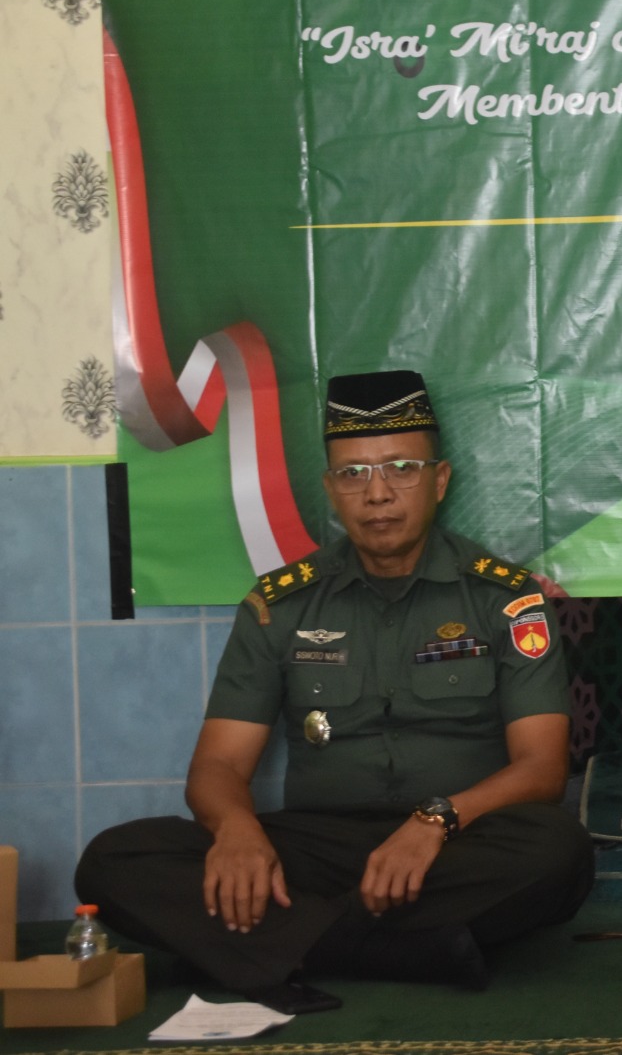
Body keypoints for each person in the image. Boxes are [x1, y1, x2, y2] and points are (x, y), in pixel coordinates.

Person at [76, 370, 593, 1013]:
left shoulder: (505, 599)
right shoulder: (280, 604)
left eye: (401, 468)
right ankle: (404, 950)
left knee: (559, 852)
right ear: (330, 489)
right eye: (353, 474)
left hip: (452, 844)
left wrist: (434, 820)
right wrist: (237, 830)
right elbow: (217, 766)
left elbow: (542, 770)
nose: (377, 493)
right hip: (315, 849)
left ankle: (277, 945)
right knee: (114, 860)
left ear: (439, 480)